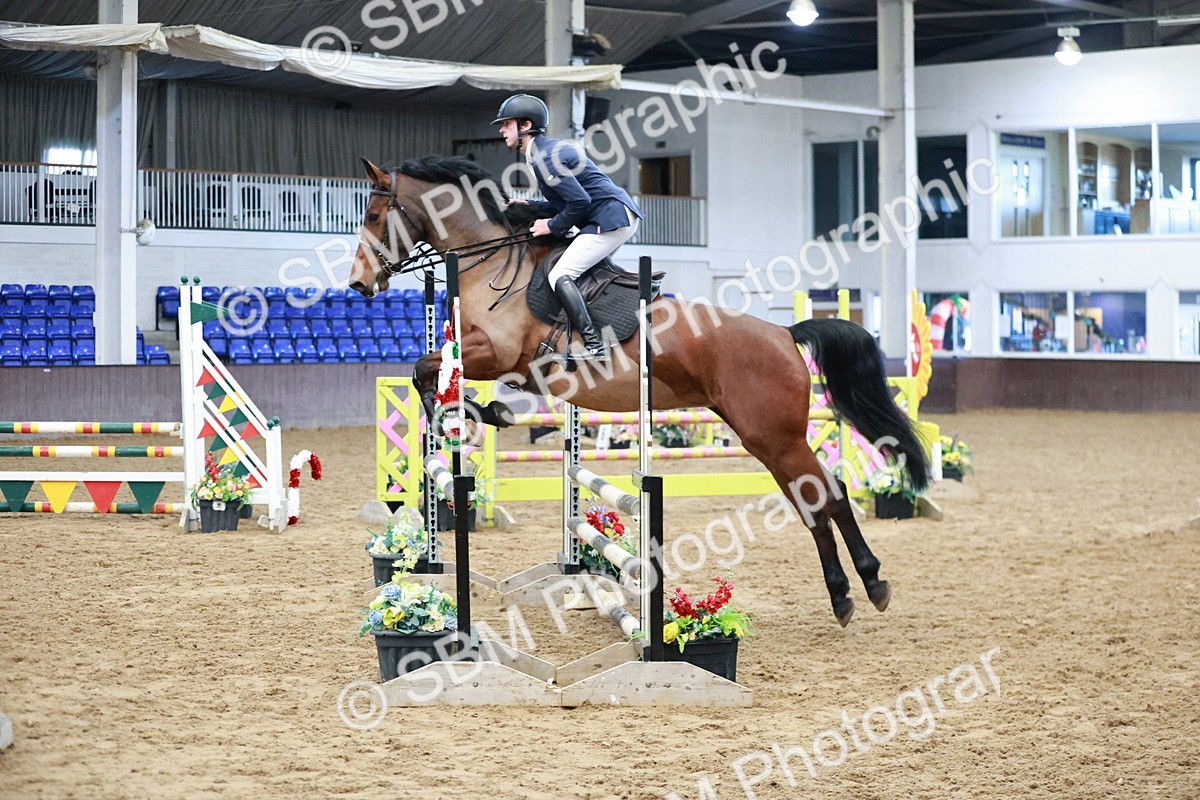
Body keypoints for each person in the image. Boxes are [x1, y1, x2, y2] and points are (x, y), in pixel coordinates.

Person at [493, 94, 643, 360]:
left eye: (506, 124)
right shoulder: (541, 152)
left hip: (609, 217)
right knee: (580, 273)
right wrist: (528, 204)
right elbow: (565, 202)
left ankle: (596, 347)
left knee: (560, 274)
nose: (502, 130)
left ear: (525, 125)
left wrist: (550, 226)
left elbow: (579, 202)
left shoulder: (545, 157)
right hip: (611, 215)